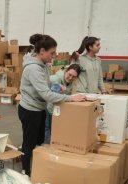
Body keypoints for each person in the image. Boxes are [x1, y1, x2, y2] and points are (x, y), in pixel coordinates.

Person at [18, 34, 86, 176]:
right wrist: (70, 98)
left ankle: (38, 165)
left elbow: (46, 83)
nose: (54, 56)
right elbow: (46, 95)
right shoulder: (33, 69)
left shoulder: (43, 65)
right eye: (52, 53)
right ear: (42, 51)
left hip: (39, 108)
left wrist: (55, 85)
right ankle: (26, 171)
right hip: (30, 110)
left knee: (40, 140)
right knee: (29, 143)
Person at [44, 64, 82, 144]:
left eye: (74, 77)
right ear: (66, 71)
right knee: (47, 130)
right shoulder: (55, 79)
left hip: (57, 110)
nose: (71, 78)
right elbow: (51, 95)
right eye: (69, 74)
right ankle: (47, 149)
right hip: (48, 108)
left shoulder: (70, 82)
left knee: (55, 131)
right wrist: (57, 90)